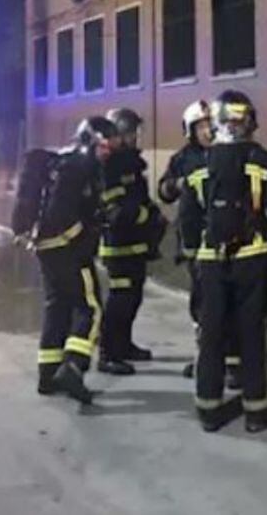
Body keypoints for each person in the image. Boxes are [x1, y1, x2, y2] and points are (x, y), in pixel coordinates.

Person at [180, 90, 267, 433]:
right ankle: (257, 411)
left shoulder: (199, 164)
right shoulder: (263, 160)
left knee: (212, 334)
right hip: (253, 258)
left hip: (211, 262)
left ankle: (208, 409)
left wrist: (193, 256)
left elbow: (187, 218)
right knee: (251, 334)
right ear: (248, 120)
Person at [12, 116, 120, 404]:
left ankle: (48, 375)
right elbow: (61, 213)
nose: (106, 154)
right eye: (104, 148)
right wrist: (83, 234)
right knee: (91, 307)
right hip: (68, 251)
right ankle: (74, 367)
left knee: (57, 307)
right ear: (89, 142)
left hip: (47, 250)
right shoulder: (77, 167)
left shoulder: (60, 163)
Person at [98, 107, 165, 375]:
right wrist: (145, 215)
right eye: (132, 132)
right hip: (118, 245)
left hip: (136, 245)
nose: (137, 137)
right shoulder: (109, 166)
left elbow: (138, 198)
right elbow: (114, 210)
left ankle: (124, 345)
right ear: (121, 134)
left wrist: (154, 215)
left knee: (134, 297)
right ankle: (107, 353)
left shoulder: (131, 164)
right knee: (120, 299)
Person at [156, 100, 215, 380]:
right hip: (195, 241)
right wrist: (174, 185)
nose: (208, 131)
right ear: (190, 130)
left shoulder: (227, 153)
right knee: (201, 301)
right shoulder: (183, 159)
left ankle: (231, 358)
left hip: (225, 238)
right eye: (201, 126)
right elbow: (164, 191)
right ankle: (204, 354)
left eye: (210, 124)